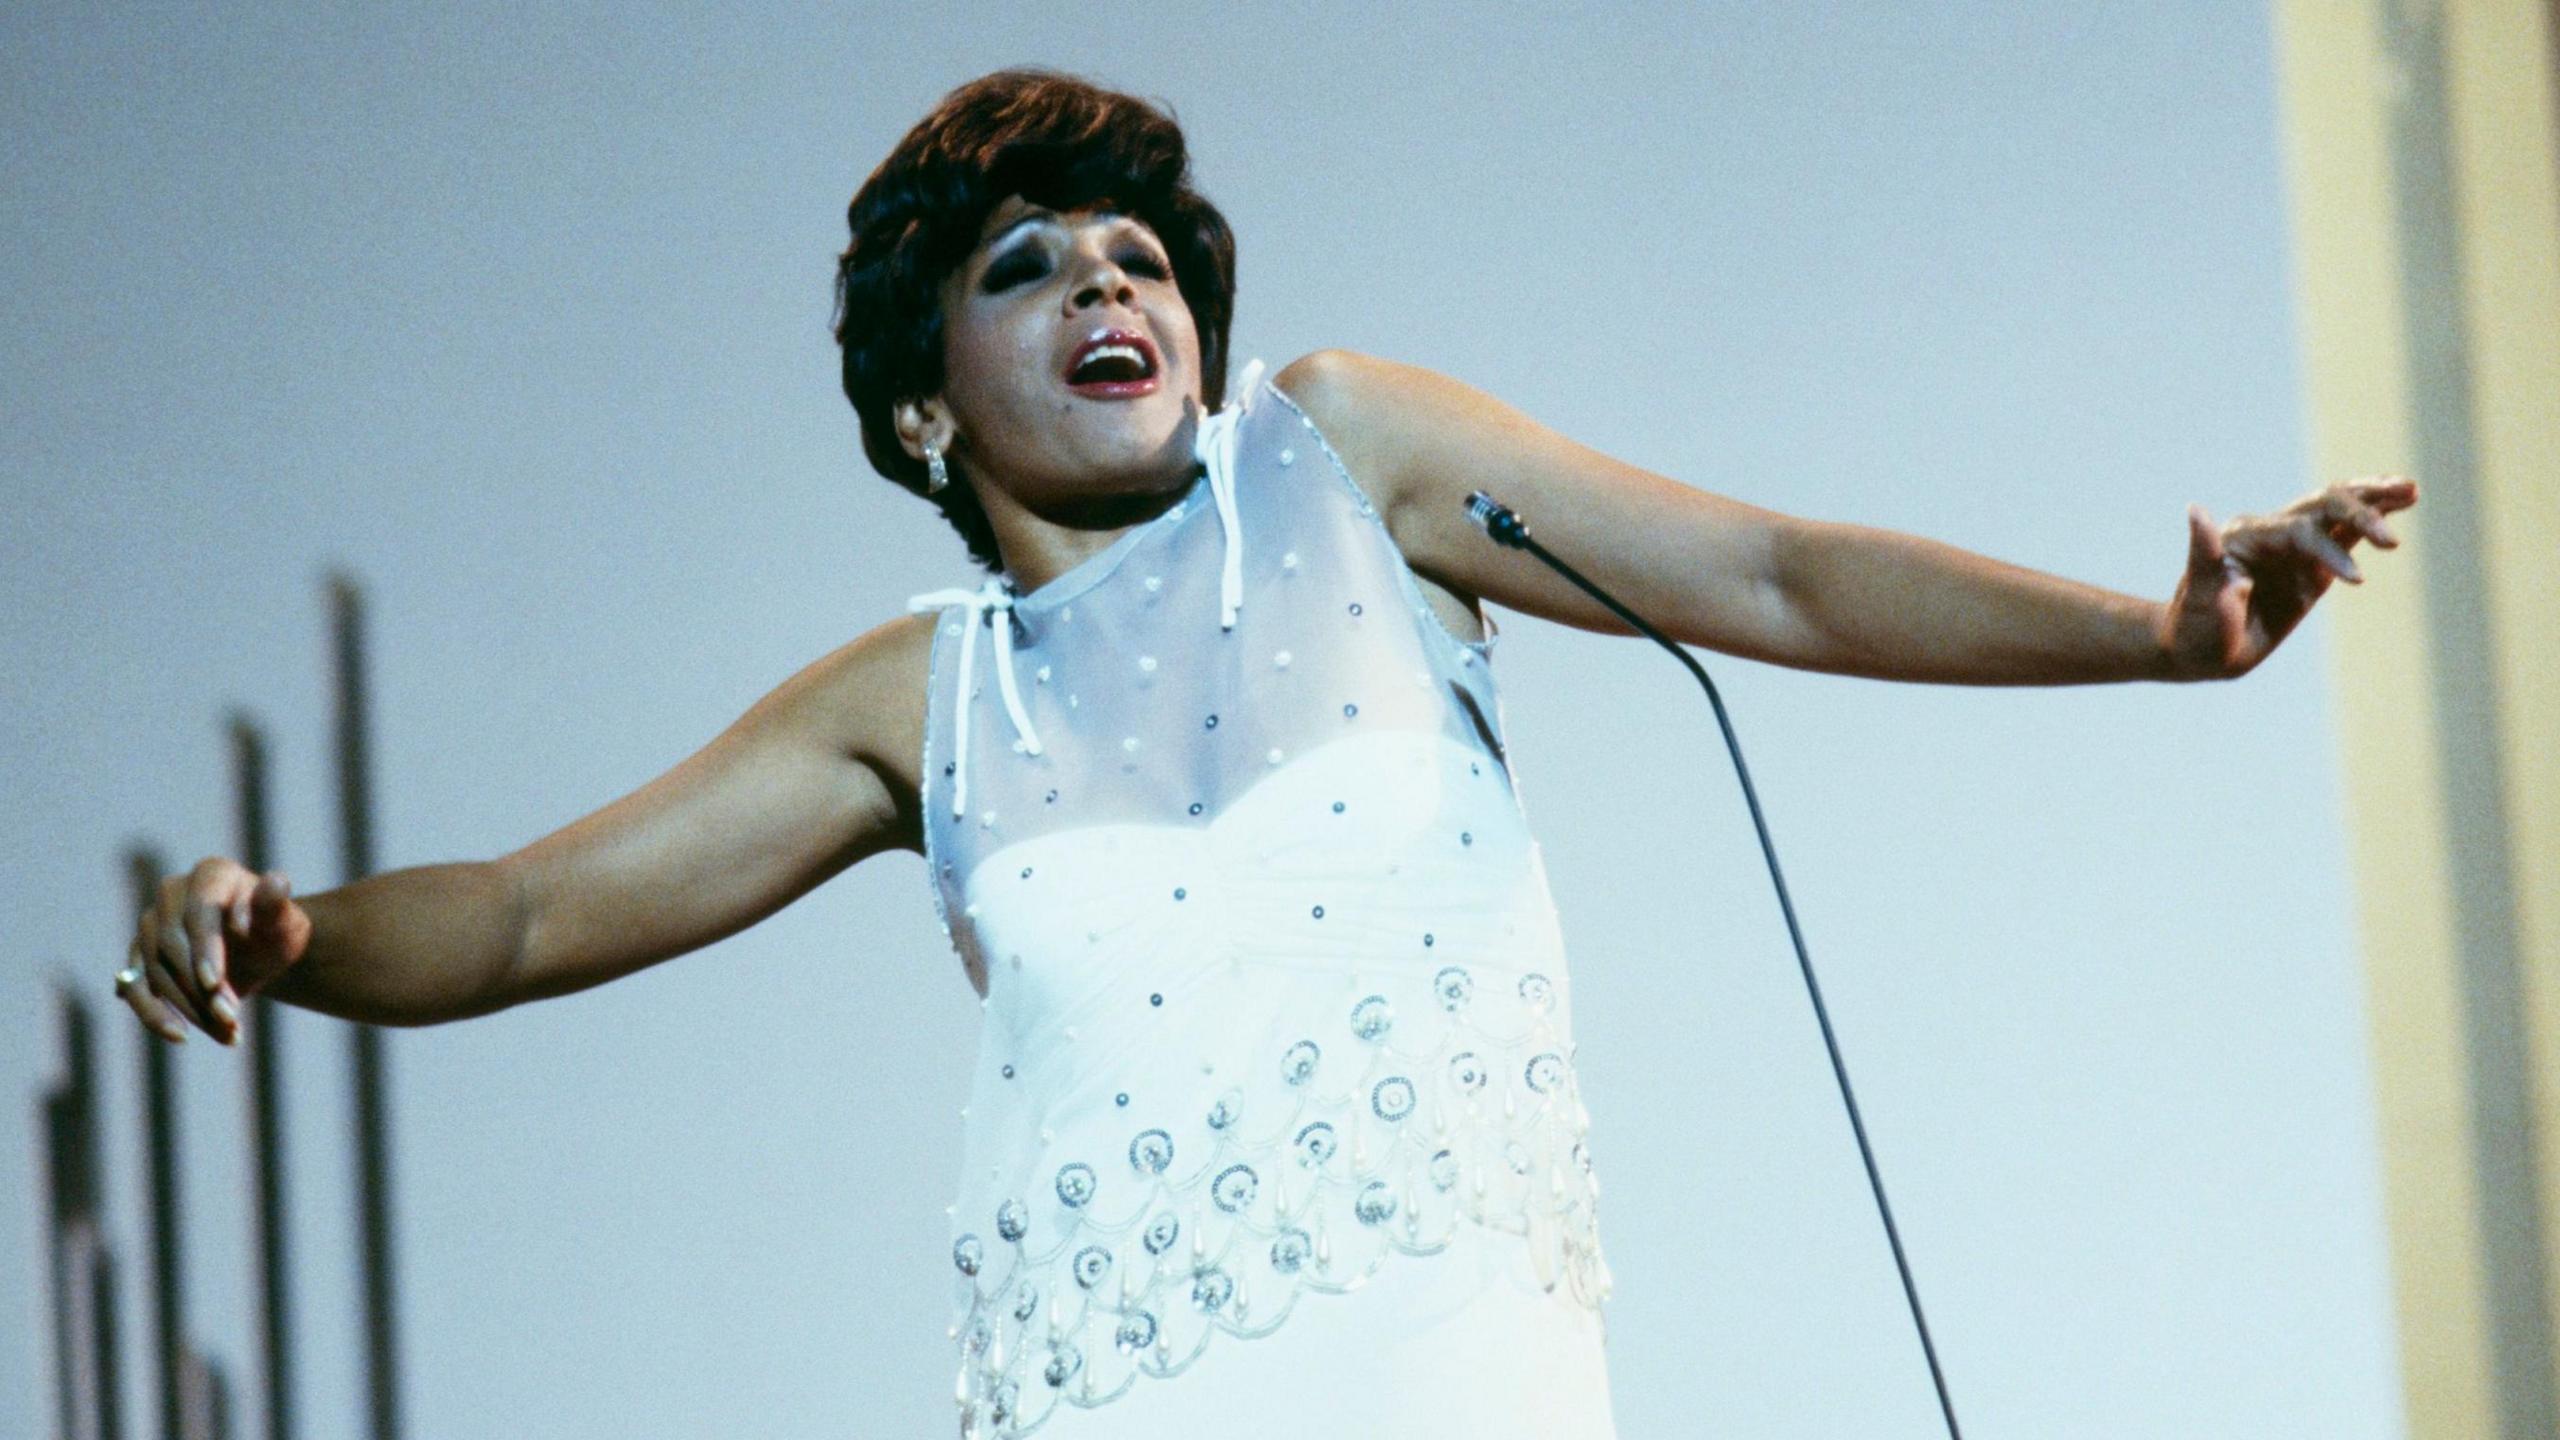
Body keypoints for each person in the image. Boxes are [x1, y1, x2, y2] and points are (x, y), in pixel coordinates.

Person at [115, 67, 2418, 1439]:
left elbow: (1784, 576)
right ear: (922, 407)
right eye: (1025, 264)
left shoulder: (1351, 461)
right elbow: (523, 914)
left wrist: (2152, 637)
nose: (1111, 289)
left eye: (1140, 254)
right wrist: (291, 934)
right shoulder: (922, 699)